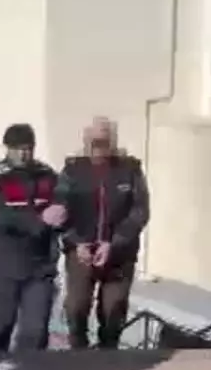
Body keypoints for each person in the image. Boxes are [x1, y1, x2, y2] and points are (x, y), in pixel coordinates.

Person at [50, 117, 150, 350]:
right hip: (81, 251)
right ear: (86, 141)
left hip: (119, 254)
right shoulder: (73, 170)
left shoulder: (130, 170)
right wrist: (76, 242)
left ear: (112, 141)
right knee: (76, 306)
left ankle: (108, 353)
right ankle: (79, 351)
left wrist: (114, 244)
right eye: (94, 141)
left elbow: (140, 211)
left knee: (113, 309)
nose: (99, 147)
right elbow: (60, 210)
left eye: (104, 141)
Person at [0, 124, 62, 351]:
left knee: (36, 330)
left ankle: (30, 368)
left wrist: (62, 216)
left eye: (28, 148)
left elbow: (61, 203)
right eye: (18, 149)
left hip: (39, 264)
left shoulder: (46, 175)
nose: (24, 154)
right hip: (3, 264)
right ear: (7, 149)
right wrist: (39, 221)